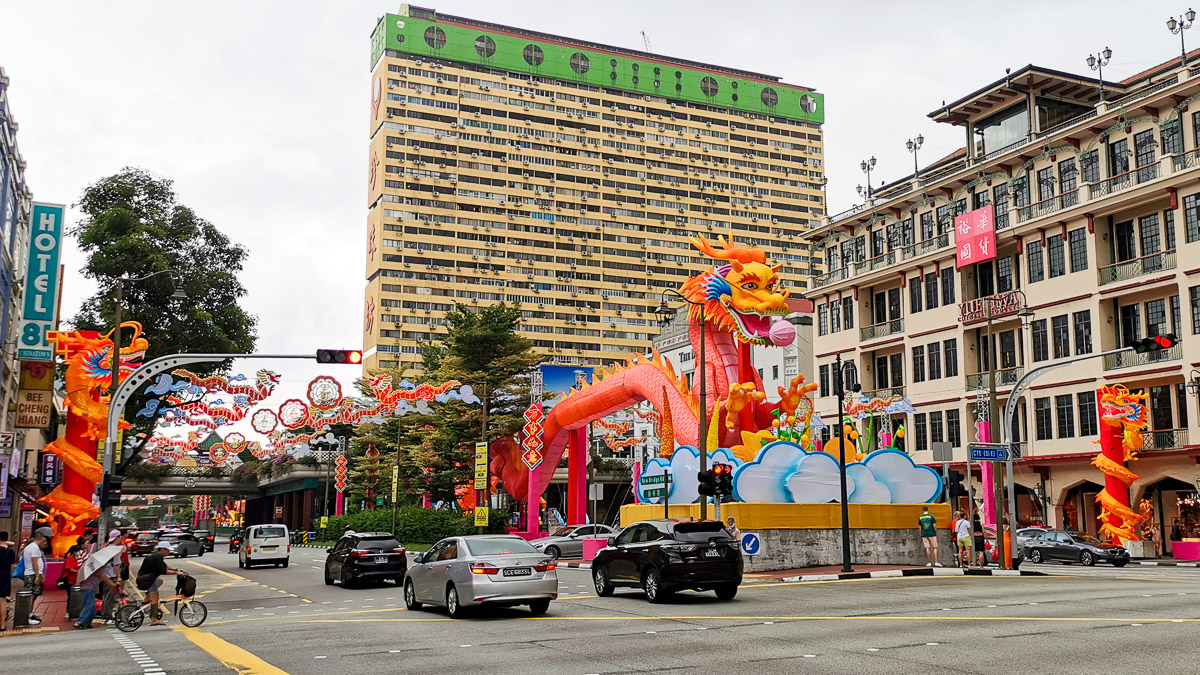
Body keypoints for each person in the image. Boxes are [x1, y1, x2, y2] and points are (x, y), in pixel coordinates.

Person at [136, 541, 184, 627]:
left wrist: (176, 569)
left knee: (160, 581)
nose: (169, 552)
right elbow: (164, 571)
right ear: (162, 549)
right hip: (148, 580)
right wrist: (177, 573)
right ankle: (154, 619)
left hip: (144, 579)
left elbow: (164, 566)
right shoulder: (158, 557)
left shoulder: (155, 556)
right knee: (155, 599)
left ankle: (146, 600)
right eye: (167, 550)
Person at [75, 547, 121, 630]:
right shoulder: (97, 567)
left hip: (89, 587)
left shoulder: (97, 566)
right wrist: (113, 584)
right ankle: (80, 622)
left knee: (91, 606)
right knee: (89, 606)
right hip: (88, 587)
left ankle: (87, 622)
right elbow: (104, 577)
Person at [21, 530, 47, 625]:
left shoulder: (31, 547)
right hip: (32, 574)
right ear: (39, 538)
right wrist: (37, 576)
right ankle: (27, 615)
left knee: (34, 595)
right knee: (31, 595)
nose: (44, 543)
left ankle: (30, 614)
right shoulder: (34, 548)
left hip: (33, 574)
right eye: (43, 541)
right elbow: (34, 562)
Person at [0, 531, 14, 632]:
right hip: (5, 576)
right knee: (3, 600)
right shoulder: (11, 552)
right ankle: (2, 625)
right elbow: (12, 564)